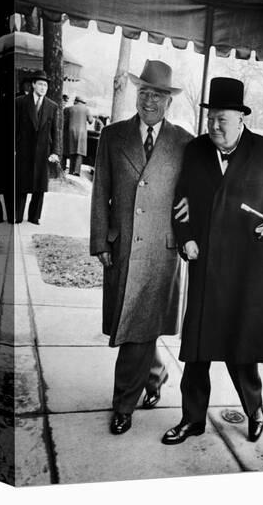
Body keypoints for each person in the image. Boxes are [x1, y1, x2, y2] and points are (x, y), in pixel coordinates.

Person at [162, 77, 263, 445]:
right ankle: (192, 419)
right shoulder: (196, 150)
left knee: (241, 346)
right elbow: (182, 199)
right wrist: (187, 239)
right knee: (197, 350)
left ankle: (255, 409)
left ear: (241, 119)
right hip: (207, 265)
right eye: (211, 118)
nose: (215, 126)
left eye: (223, 120)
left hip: (250, 268)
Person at [90, 60, 192, 435]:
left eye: (158, 95)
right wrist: (100, 240)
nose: (149, 100)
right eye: (144, 92)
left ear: (169, 102)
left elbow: (195, 192)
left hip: (162, 253)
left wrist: (190, 217)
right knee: (135, 326)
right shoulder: (113, 136)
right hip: (122, 248)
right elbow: (100, 191)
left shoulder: (184, 142)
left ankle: (123, 405)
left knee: (137, 329)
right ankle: (156, 372)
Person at [15, 70, 60, 224]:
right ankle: (17, 215)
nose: (43, 87)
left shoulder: (52, 106)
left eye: (45, 85)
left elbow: (56, 131)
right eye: (40, 84)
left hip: (43, 152)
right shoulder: (20, 102)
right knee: (21, 183)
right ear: (33, 85)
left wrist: (55, 152)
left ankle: (34, 217)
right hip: (24, 149)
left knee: (39, 186)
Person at [63, 95, 93, 176]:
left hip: (71, 131)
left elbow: (65, 122)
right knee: (79, 151)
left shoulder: (69, 109)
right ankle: (77, 171)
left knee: (72, 150)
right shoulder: (86, 109)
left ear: (76, 101)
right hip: (82, 133)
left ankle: (70, 170)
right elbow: (91, 121)